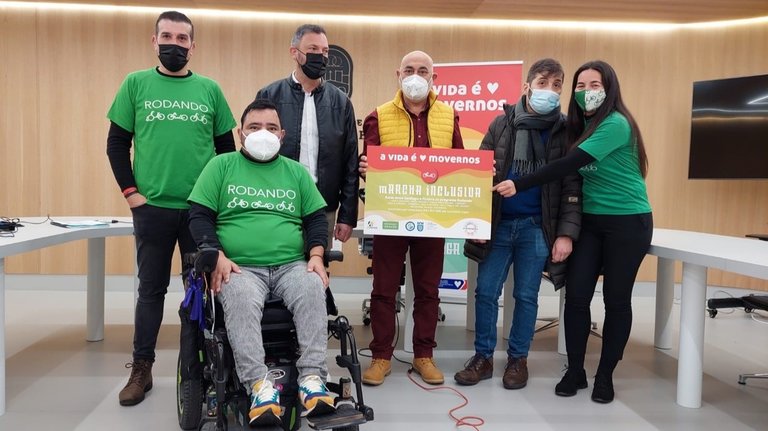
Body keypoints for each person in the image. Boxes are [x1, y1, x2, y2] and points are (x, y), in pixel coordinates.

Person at [499, 60, 653, 403]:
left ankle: (605, 376)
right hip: (591, 222)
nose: (586, 92)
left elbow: (568, 165)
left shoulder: (616, 123)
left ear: (609, 89)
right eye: (580, 86)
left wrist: (519, 183)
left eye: (595, 85)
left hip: (628, 222)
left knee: (616, 300)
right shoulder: (579, 125)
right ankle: (575, 370)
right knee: (577, 297)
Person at [106, 10, 236, 407]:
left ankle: (197, 368)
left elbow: (226, 151)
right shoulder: (135, 84)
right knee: (151, 291)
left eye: (182, 39)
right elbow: (116, 143)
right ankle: (141, 369)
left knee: (201, 292)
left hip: (200, 212)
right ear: (154, 41)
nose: (174, 45)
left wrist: (218, 201)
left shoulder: (210, 90)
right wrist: (132, 194)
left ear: (193, 46)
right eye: (167, 37)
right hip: (153, 210)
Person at [187, 99, 335, 426]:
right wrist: (217, 254)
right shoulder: (221, 166)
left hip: (291, 265)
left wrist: (316, 255)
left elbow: (315, 219)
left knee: (313, 286)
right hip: (240, 267)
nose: (263, 133)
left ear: (282, 135)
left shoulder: (295, 172)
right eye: (254, 127)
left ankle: (312, 380)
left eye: (271, 127)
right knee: (239, 297)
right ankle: (258, 385)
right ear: (240, 133)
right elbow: (199, 216)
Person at [454, 59, 582, 389]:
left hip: (537, 227)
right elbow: (477, 175)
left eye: (557, 85)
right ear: (527, 86)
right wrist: (477, 223)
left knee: (526, 296)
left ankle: (517, 359)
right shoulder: (501, 124)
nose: (550, 91)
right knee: (485, 292)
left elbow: (571, 185)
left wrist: (566, 234)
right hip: (498, 224)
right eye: (543, 83)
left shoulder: (565, 130)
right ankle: (482, 357)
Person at [358, 50, 464, 386]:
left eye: (422, 70)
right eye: (408, 70)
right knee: (384, 289)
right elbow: (368, 163)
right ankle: (381, 357)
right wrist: (365, 168)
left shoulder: (449, 115)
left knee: (428, 291)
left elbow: (460, 162)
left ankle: (423, 355)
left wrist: (477, 173)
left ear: (434, 77)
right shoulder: (378, 116)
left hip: (434, 218)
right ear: (398, 74)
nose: (415, 76)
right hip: (391, 216)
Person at [256, 24, 359, 246]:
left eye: (325, 51)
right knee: (275, 261)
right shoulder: (269, 95)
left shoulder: (341, 102)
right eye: (313, 49)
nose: (320, 56)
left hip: (322, 207)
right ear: (294, 52)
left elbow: (350, 162)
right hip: (276, 205)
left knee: (318, 263)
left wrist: (347, 215)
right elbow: (256, 153)